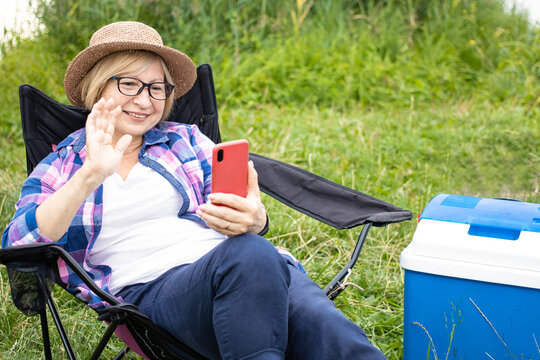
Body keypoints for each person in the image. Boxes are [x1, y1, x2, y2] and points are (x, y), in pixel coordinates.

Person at [2, 21, 386, 360]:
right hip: (154, 295)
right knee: (250, 256)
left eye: (156, 88)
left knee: (326, 328)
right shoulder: (63, 163)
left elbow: (237, 209)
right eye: (129, 83)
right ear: (97, 87)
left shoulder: (183, 140)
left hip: (252, 270)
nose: (144, 99)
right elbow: (20, 246)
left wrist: (255, 218)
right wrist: (89, 174)